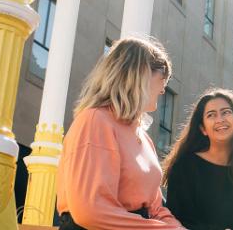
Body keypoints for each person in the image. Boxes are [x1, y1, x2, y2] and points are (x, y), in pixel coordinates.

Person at [56, 37, 185, 229]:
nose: (163, 88)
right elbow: (91, 211)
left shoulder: (144, 137)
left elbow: (155, 207)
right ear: (139, 75)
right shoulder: (95, 121)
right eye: (162, 77)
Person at [163, 88, 233, 230]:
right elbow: (178, 219)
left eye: (226, 112)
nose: (220, 119)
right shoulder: (184, 166)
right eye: (211, 115)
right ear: (203, 128)